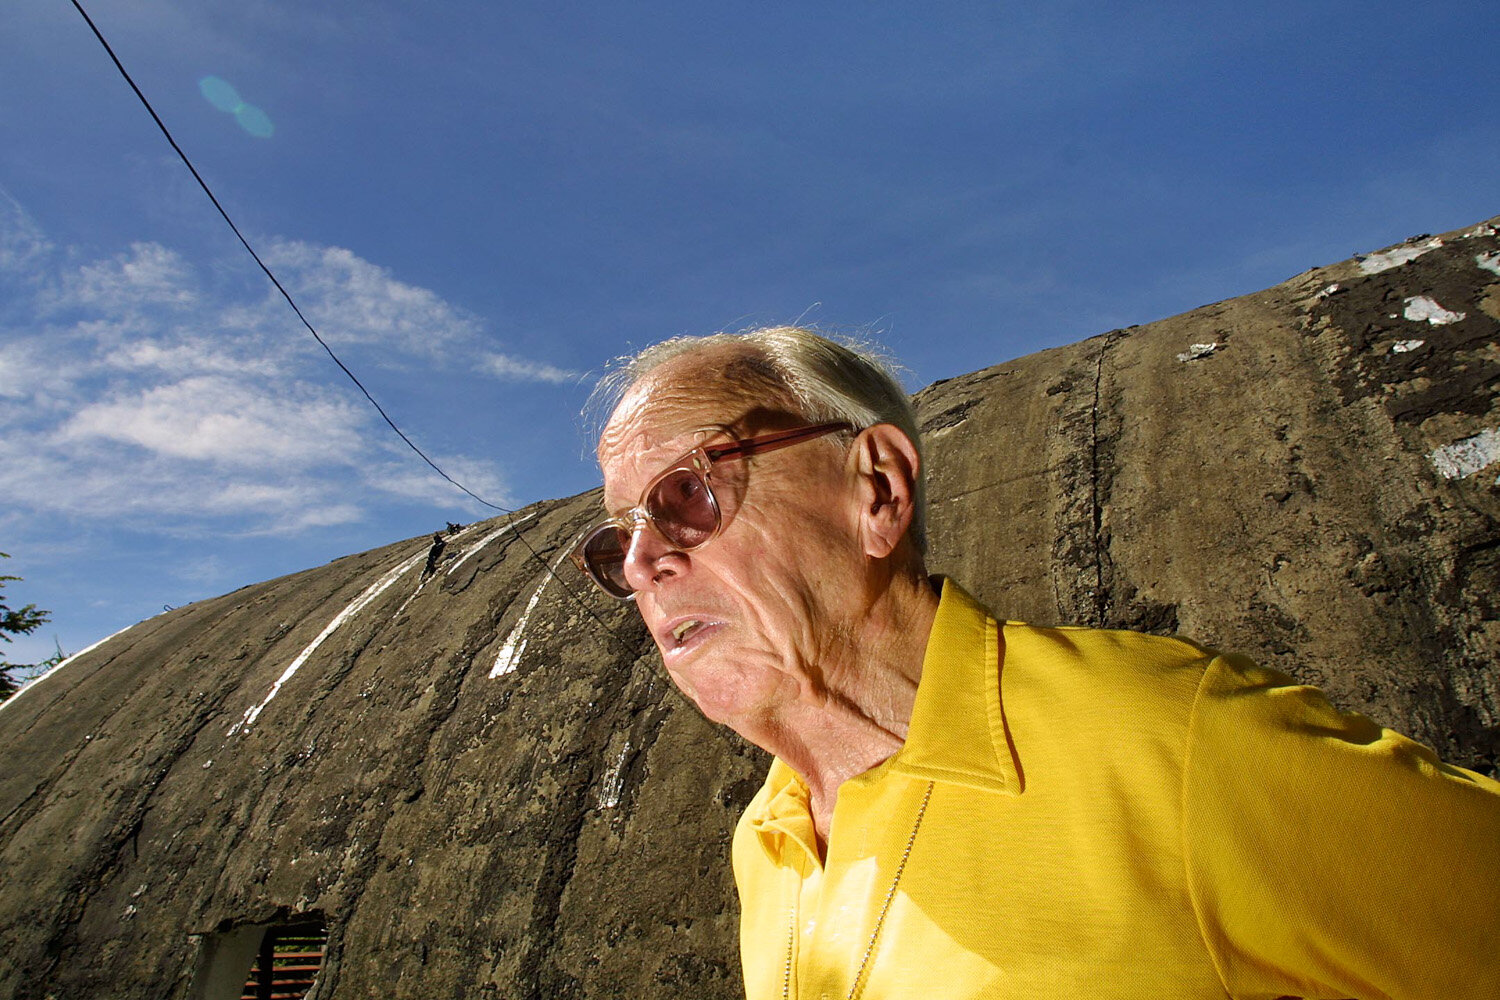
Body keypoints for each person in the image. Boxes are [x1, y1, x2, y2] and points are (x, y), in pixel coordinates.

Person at [572, 325, 1500, 1000]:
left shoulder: (1172, 744)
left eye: (686, 492)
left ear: (878, 489)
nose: (649, 563)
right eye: (618, 542)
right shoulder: (764, 842)